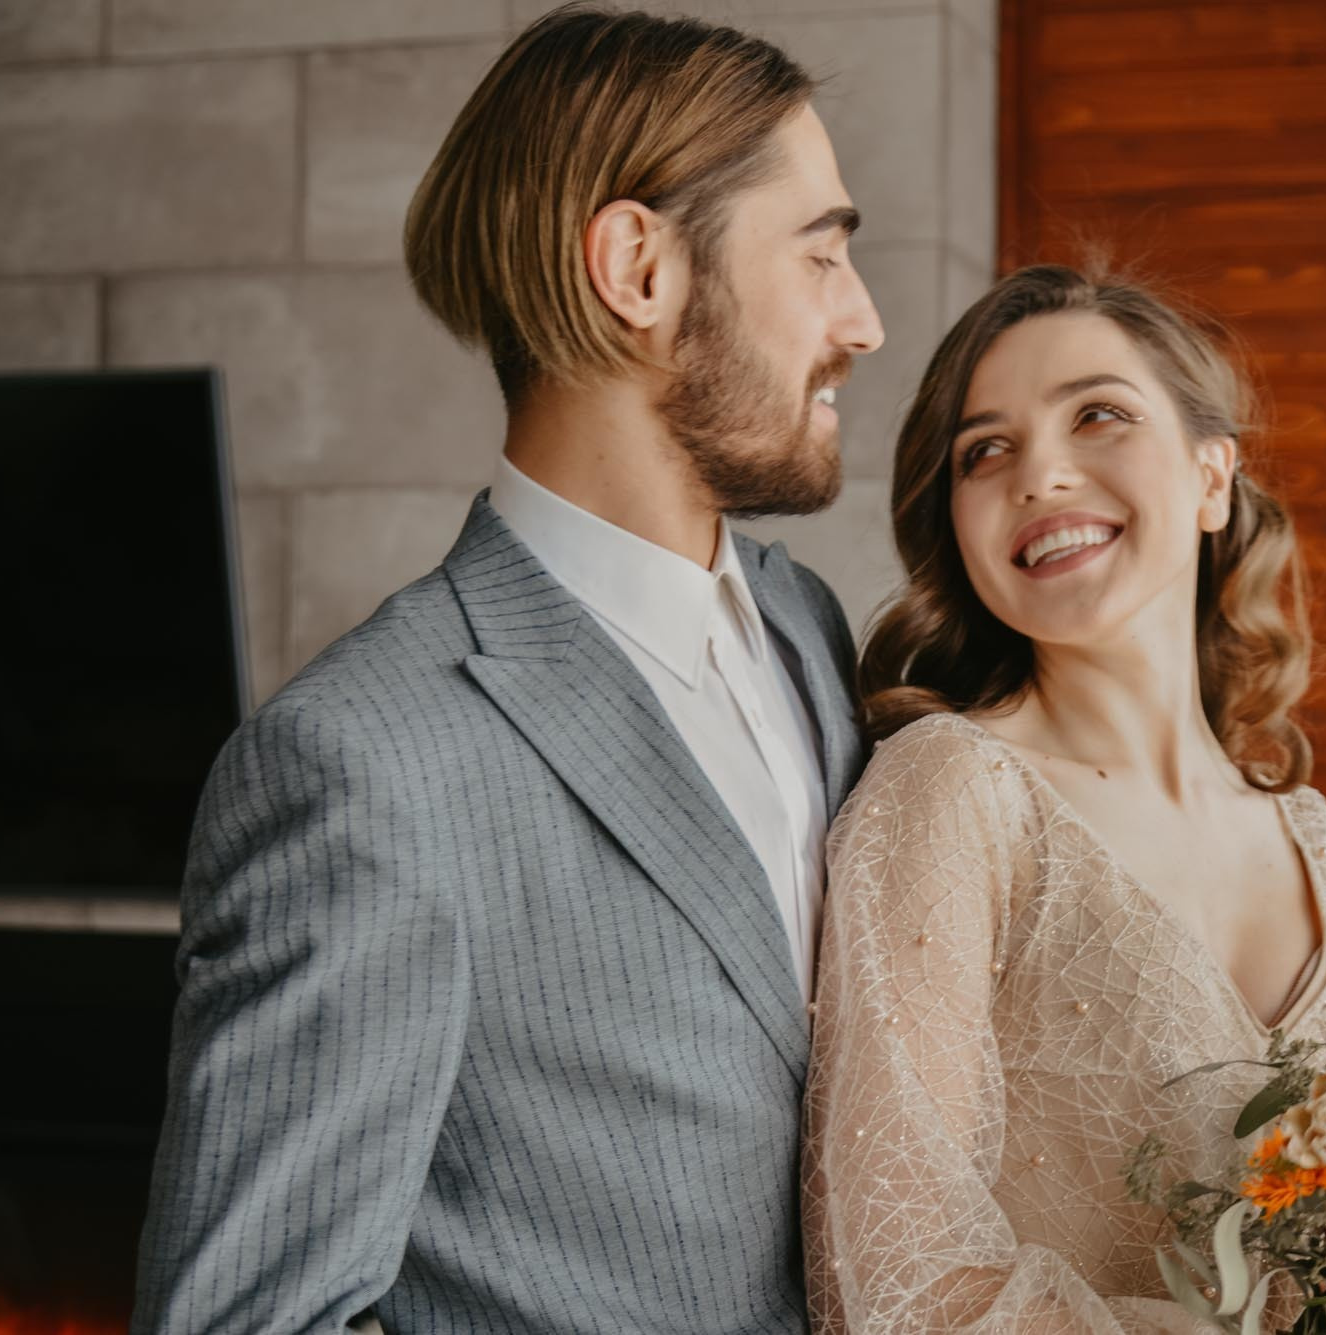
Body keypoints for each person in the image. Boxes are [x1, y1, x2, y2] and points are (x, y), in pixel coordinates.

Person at [133, 7, 882, 1333]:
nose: (861, 321)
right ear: (637, 268)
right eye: (819, 253)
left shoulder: (806, 623)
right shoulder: (362, 765)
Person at [802, 267, 1326, 1335]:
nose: (1039, 473)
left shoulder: (1320, 846)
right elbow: (896, 1284)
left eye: (1097, 415)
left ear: (1212, 478)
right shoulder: (951, 792)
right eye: (985, 451)